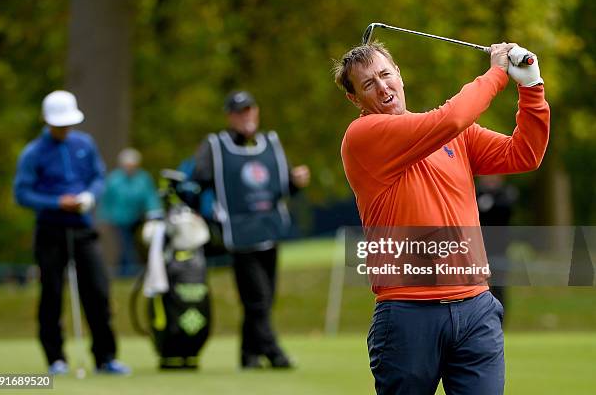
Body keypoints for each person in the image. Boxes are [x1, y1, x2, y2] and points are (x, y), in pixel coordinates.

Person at [335, 41, 549, 394]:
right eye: (369, 83)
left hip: (476, 308)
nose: (383, 86)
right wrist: (497, 73)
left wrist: (531, 89)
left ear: (399, 75)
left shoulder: (452, 136)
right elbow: (451, 117)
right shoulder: (362, 136)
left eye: (386, 74)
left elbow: (525, 153)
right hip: (408, 313)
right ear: (355, 99)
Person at [183, 90, 310, 369]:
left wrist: (297, 181)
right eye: (240, 112)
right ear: (230, 116)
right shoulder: (215, 146)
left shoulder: (271, 143)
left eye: (250, 110)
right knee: (258, 299)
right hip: (239, 235)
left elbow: (284, 185)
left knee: (264, 298)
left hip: (269, 231)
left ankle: (248, 354)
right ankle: (274, 352)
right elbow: (196, 182)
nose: (247, 116)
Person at [14, 90, 131, 375]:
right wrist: (56, 202)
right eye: (58, 124)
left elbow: (98, 177)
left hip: (82, 228)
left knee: (98, 292)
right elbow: (22, 193)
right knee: (52, 295)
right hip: (50, 231)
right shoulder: (33, 153)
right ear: (46, 120)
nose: (63, 128)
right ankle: (56, 358)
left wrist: (89, 197)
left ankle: (105, 357)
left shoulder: (84, 144)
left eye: (67, 123)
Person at [99, 147, 162, 277]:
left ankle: (122, 271)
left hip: (137, 217)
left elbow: (150, 197)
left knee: (128, 245)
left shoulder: (143, 178)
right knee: (126, 244)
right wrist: (104, 216)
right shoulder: (114, 179)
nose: (130, 168)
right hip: (118, 219)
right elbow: (106, 200)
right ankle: (130, 272)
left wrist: (155, 212)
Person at [477, 174, 518, 312]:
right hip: (478, 249)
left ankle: (500, 321)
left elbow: (505, 211)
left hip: (500, 249)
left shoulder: (506, 194)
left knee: (499, 287)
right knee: (478, 288)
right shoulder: (476, 193)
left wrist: (491, 200)